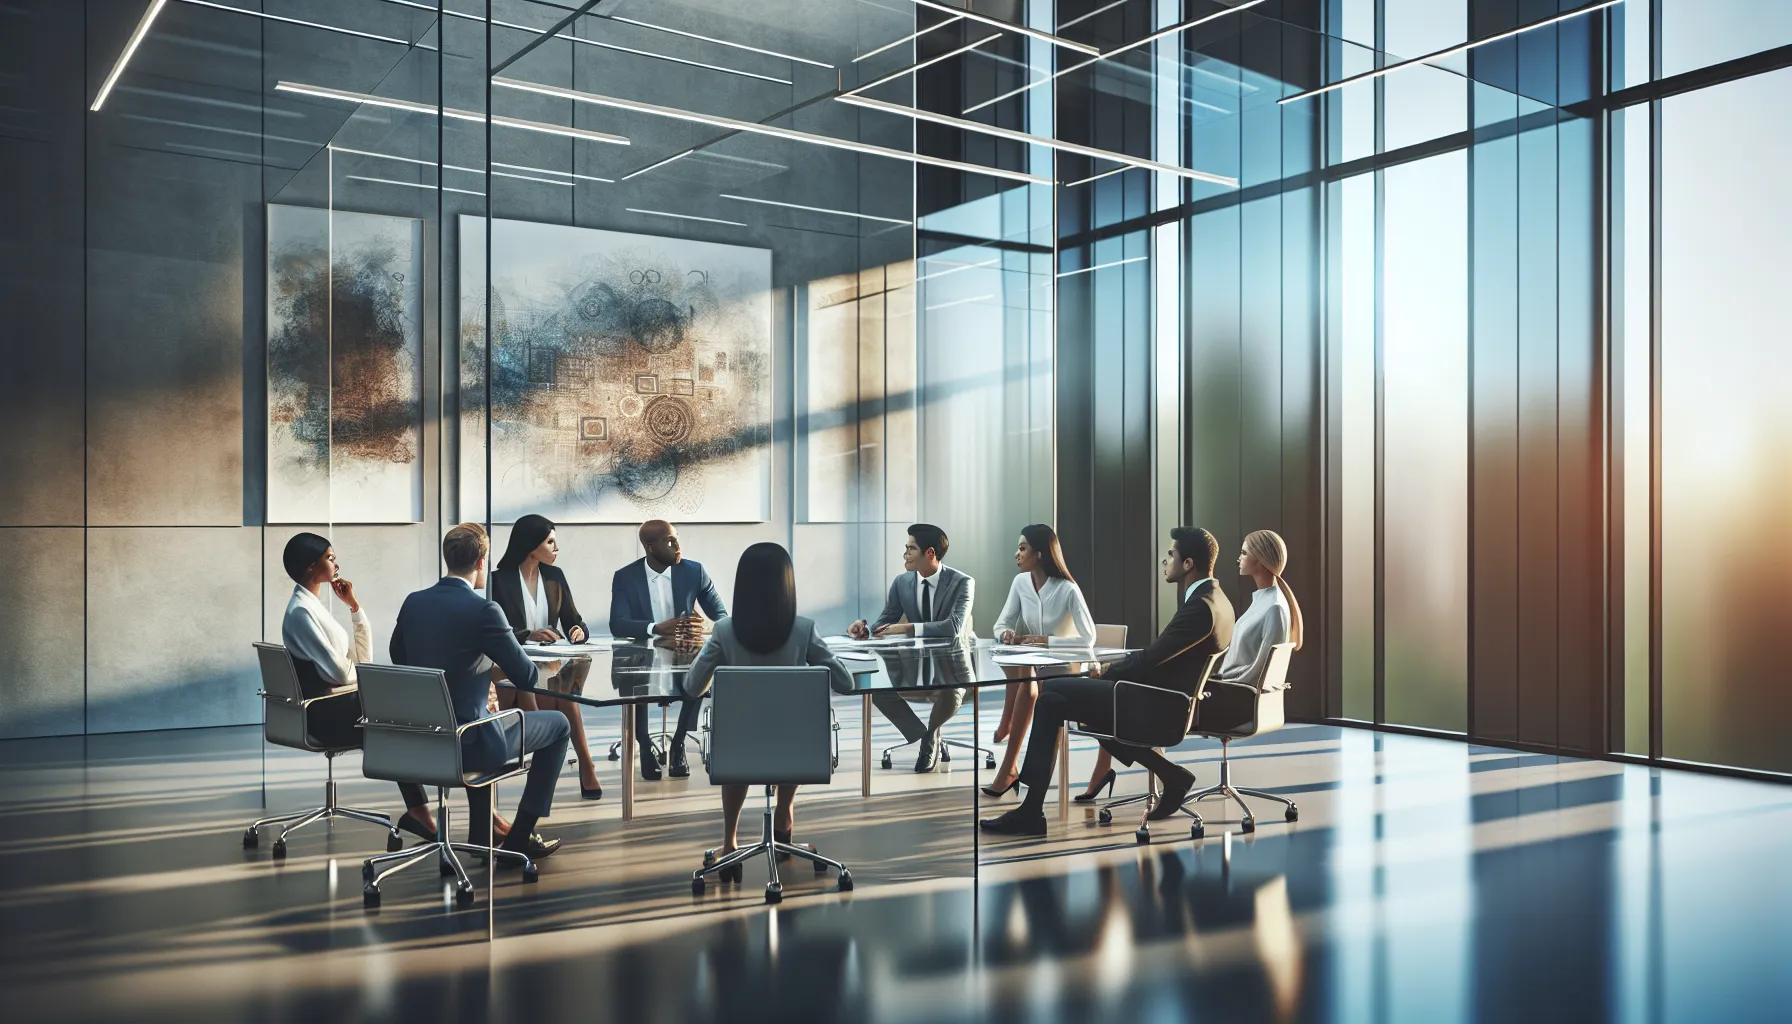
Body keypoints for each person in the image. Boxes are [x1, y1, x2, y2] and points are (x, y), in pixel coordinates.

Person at [979, 527, 1235, 837]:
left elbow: (1152, 657)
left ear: (1188, 564)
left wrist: (1107, 672)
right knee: (1059, 698)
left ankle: (1031, 811)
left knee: (1051, 697)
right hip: (1163, 698)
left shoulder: (1200, 608)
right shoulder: (1216, 601)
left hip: (1158, 704)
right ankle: (1170, 774)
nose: (1165, 560)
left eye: (1171, 554)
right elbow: (1162, 658)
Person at [390, 523, 569, 862]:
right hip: (468, 744)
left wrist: (475, 669)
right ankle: (518, 836)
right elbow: (526, 676)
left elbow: (401, 657)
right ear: (482, 561)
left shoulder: (414, 603)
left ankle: (483, 830)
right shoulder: (485, 610)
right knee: (559, 725)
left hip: (422, 740)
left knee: (481, 714)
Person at [682, 542, 853, 874]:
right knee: (792, 730)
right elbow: (844, 682)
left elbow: (692, 687)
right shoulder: (804, 629)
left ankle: (730, 842)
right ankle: (784, 813)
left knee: (732, 735)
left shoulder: (724, 631)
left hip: (738, 753)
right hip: (798, 753)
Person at [278, 532, 434, 841]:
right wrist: (362, 676)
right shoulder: (301, 612)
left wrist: (353, 606)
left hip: (338, 703)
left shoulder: (315, 607)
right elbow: (338, 672)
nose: (337, 563)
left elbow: (359, 662)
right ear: (312, 566)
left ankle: (420, 810)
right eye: (330, 557)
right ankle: (420, 809)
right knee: (396, 719)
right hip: (324, 713)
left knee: (397, 717)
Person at [489, 514, 602, 800]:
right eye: (550, 541)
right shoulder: (499, 580)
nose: (556, 547)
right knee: (563, 695)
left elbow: (575, 621)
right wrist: (528, 635)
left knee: (566, 694)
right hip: (512, 668)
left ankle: (586, 766)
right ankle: (579, 766)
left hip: (549, 665)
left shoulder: (554, 576)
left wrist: (578, 630)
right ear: (531, 545)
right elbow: (494, 633)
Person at [847, 524, 975, 772]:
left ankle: (930, 739)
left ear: (929, 553)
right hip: (914, 668)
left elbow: (954, 626)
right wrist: (864, 629)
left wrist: (907, 628)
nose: (905, 553)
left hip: (953, 668)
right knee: (875, 689)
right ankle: (925, 735)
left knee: (950, 690)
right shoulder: (902, 582)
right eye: (905, 547)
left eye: (911, 548)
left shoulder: (962, 583)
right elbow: (886, 621)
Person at [609, 519, 727, 780]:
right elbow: (617, 623)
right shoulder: (626, 576)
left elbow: (720, 614)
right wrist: (656, 628)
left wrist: (701, 626)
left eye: (677, 538)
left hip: (684, 652)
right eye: (670, 541)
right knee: (636, 676)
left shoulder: (694, 572)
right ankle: (643, 743)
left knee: (701, 672)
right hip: (644, 652)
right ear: (650, 547)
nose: (677, 545)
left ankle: (678, 744)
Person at [984, 525, 1097, 797]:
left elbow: (1089, 638)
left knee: (1029, 688)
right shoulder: (1020, 583)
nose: (1016, 554)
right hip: (1035, 666)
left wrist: (1045, 640)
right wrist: (1006, 634)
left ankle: (1010, 767)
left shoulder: (1067, 589)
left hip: (1067, 671)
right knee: (1027, 684)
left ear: (1039, 554)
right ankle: (1010, 767)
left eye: (1022, 548)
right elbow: (1000, 625)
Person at [1197, 530, 1305, 730]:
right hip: (1229, 691)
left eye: (1244, 553)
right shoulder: (1264, 600)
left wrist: (1217, 685)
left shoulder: (1274, 608)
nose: (1239, 558)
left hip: (1237, 702)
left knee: (1168, 705)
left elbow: (1261, 672)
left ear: (1261, 560)